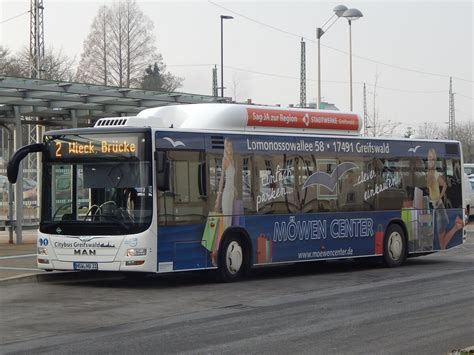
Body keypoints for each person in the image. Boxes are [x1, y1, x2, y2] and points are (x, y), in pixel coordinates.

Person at [426, 148, 462, 249]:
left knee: (442, 246)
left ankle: (456, 226)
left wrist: (438, 198)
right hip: (437, 209)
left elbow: (445, 185)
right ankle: (457, 226)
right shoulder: (428, 174)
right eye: (429, 158)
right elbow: (431, 190)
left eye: (433, 159)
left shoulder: (436, 174)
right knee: (442, 244)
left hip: (440, 209)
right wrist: (431, 197)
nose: (431, 161)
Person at [214, 138, 235, 229]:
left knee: (229, 221)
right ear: (225, 148)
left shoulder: (232, 161)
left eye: (230, 146)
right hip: (226, 194)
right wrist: (218, 198)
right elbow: (222, 179)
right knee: (226, 221)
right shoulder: (224, 160)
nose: (229, 148)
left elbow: (231, 179)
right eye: (227, 146)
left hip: (232, 194)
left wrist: (235, 188)